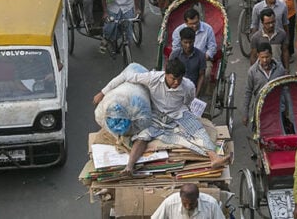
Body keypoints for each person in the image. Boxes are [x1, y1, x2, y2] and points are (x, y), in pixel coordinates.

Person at [93, 62, 230, 174]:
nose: (176, 82)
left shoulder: (188, 86)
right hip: (156, 115)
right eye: (173, 78)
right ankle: (129, 166)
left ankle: (215, 158)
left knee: (198, 130)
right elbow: (125, 76)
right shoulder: (152, 78)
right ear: (165, 74)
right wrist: (102, 92)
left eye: (179, 79)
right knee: (143, 137)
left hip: (178, 114)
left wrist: (183, 113)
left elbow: (189, 101)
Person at [242, 41, 288, 126]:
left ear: (271, 55)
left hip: (277, 109)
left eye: (267, 57)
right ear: (258, 56)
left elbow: (285, 89)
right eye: (262, 57)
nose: (265, 60)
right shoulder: (252, 71)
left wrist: (287, 109)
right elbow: (248, 92)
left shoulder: (280, 69)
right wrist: (245, 114)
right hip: (260, 110)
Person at [170, 26, 208, 96]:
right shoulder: (175, 54)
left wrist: (196, 94)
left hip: (193, 89)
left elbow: (201, 75)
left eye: (190, 42)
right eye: (185, 42)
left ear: (194, 41)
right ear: (181, 41)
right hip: (176, 89)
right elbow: (169, 73)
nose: (188, 45)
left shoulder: (201, 56)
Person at [151, 183, 224, 219]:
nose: (188, 207)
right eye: (184, 203)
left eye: (191, 204)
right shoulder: (170, 202)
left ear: (198, 198)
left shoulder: (211, 204)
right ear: (180, 198)